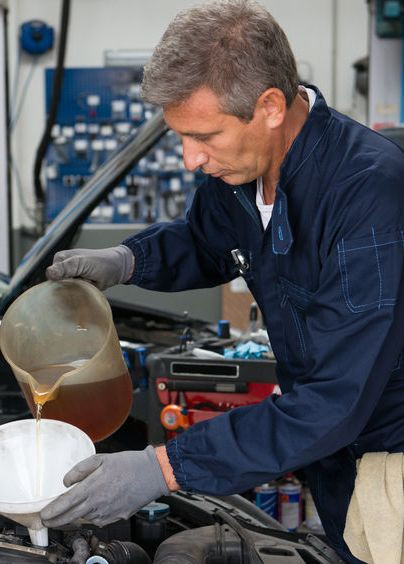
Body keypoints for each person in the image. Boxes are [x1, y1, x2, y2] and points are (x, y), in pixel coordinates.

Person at [40, 1, 404, 561]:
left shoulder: (367, 195)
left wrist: (163, 467)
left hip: (390, 465)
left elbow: (336, 399)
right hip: (330, 457)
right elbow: (206, 241)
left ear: (270, 107)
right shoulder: (238, 173)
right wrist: (124, 261)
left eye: (204, 135)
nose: (190, 159)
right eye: (180, 137)